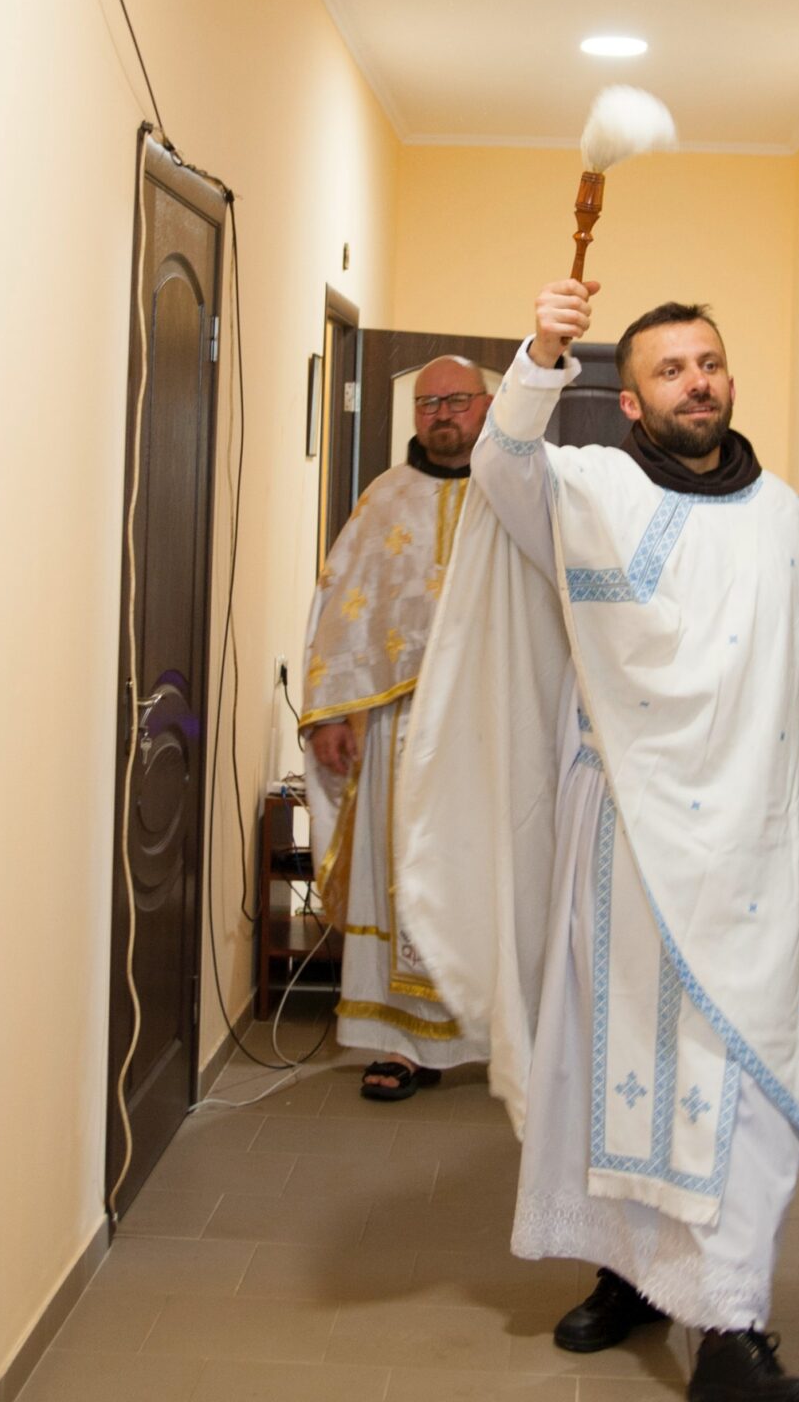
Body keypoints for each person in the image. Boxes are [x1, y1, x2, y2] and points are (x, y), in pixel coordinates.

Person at [398, 279, 799, 1399]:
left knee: (740, 1076)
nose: (696, 382)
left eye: (709, 362)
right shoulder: (589, 490)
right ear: (631, 400)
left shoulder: (785, 522)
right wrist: (539, 354)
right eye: (669, 369)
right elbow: (501, 467)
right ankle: (629, 1277)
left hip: (751, 854)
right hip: (621, 845)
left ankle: (733, 1329)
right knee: (615, 1065)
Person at [299, 354, 493, 1100]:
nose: (442, 415)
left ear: (485, 405)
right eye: (427, 403)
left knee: (486, 871)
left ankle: (496, 1038)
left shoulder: (514, 492)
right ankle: (400, 1043)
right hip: (397, 725)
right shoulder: (383, 499)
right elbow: (338, 609)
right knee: (400, 873)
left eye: (456, 400)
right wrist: (330, 713)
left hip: (489, 722)